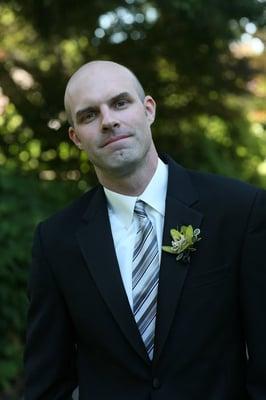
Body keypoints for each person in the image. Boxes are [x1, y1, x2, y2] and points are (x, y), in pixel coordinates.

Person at [24, 60, 266, 400]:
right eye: (89, 115)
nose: (109, 121)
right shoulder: (56, 241)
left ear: (148, 109)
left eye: (120, 103)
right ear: (76, 137)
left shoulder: (239, 211)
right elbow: (46, 383)